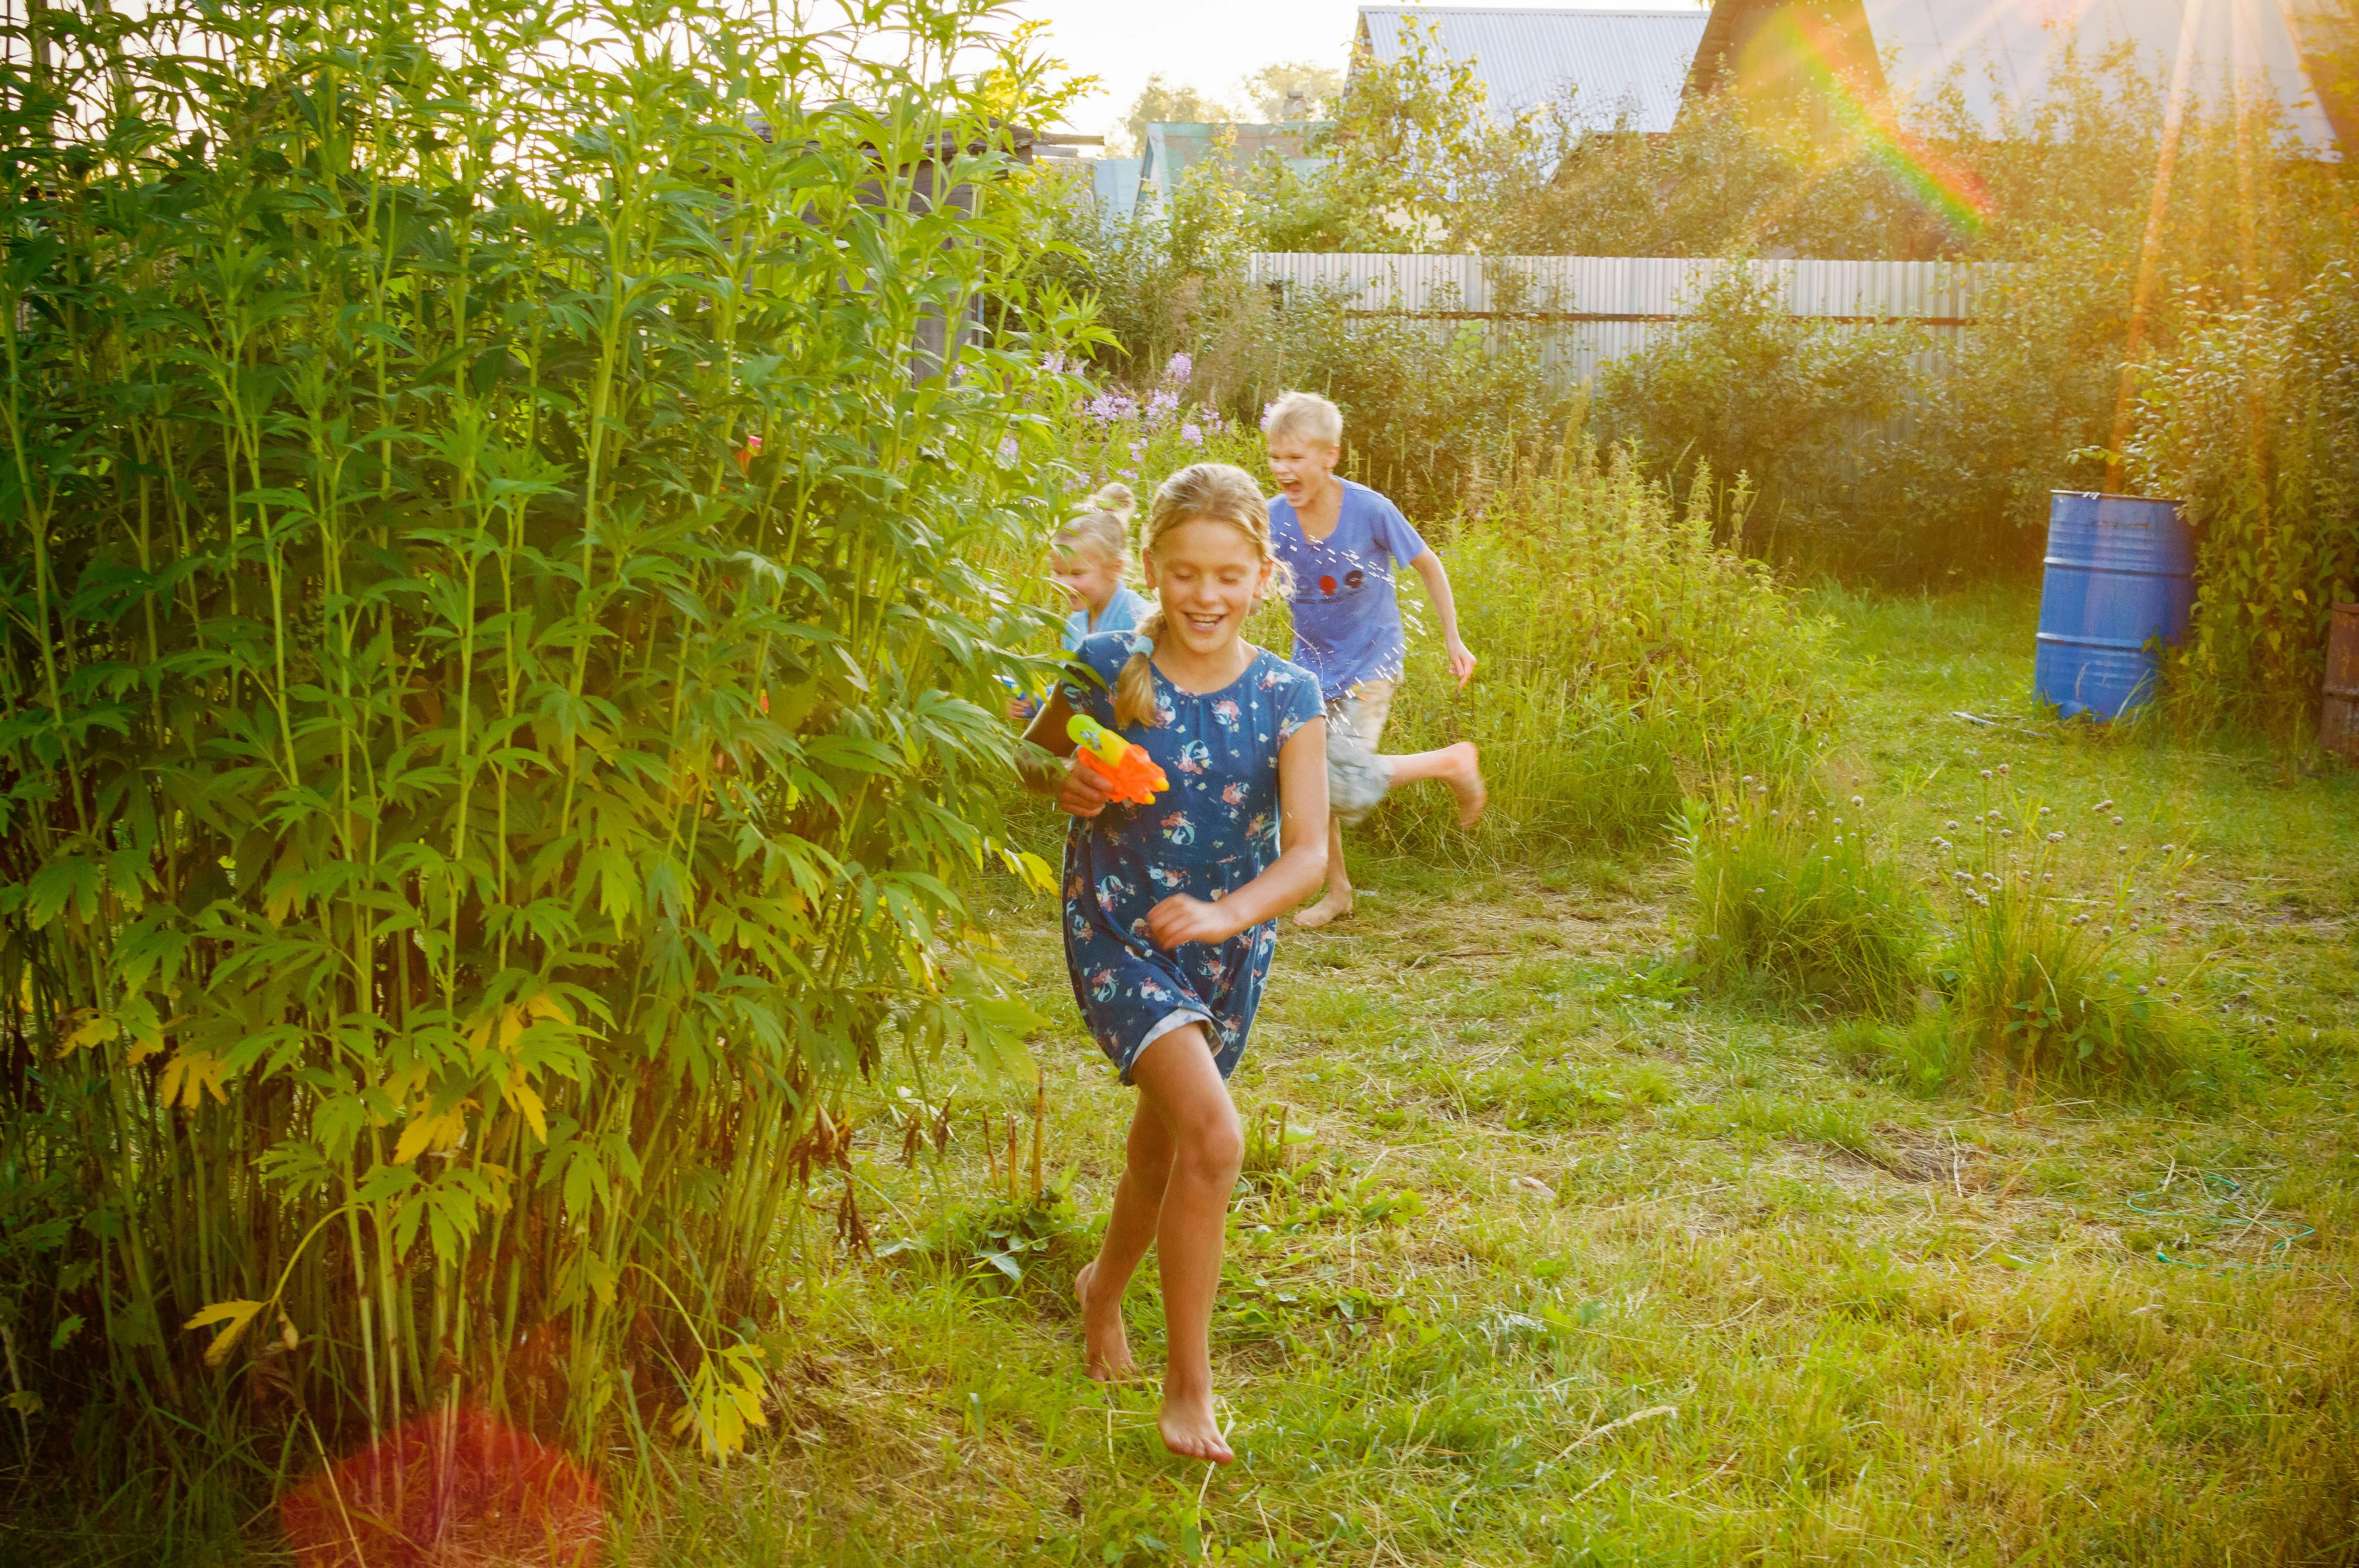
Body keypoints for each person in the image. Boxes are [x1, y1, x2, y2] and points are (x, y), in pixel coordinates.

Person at [1016, 464, 1328, 1463]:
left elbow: (1310, 854)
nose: (1206, 595)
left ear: (1260, 575)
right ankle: (1188, 1388)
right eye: (1186, 573)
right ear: (1152, 568)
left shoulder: (1289, 692)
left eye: (1228, 575)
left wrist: (1227, 913)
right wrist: (1064, 782)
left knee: (1164, 1144)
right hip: (1115, 929)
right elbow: (1030, 751)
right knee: (1215, 1137)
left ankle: (1099, 1290)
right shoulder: (1108, 662)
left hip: (1227, 947)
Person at [1261, 391, 1485, 928]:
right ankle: (1337, 893)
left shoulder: (1371, 510)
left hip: (1371, 661)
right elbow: (1250, 576)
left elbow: (1429, 565)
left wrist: (1454, 638)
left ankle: (1452, 762)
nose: (1282, 469)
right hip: (1310, 667)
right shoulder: (1271, 519)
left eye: (1295, 458)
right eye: (1274, 457)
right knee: (1312, 777)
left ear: (1329, 456)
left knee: (1339, 781)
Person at [1006, 484, 1154, 721]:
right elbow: (1078, 692)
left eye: (1077, 574)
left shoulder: (1140, 619)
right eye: (1058, 572)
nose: (1064, 584)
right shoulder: (1074, 624)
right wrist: (1035, 701)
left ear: (1115, 568)